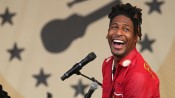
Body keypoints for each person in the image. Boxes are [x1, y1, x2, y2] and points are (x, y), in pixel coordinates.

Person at [102, 3, 160, 98]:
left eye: (126, 29)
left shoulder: (137, 76)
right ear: (107, 33)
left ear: (136, 38)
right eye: (114, 27)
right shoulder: (107, 64)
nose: (118, 32)